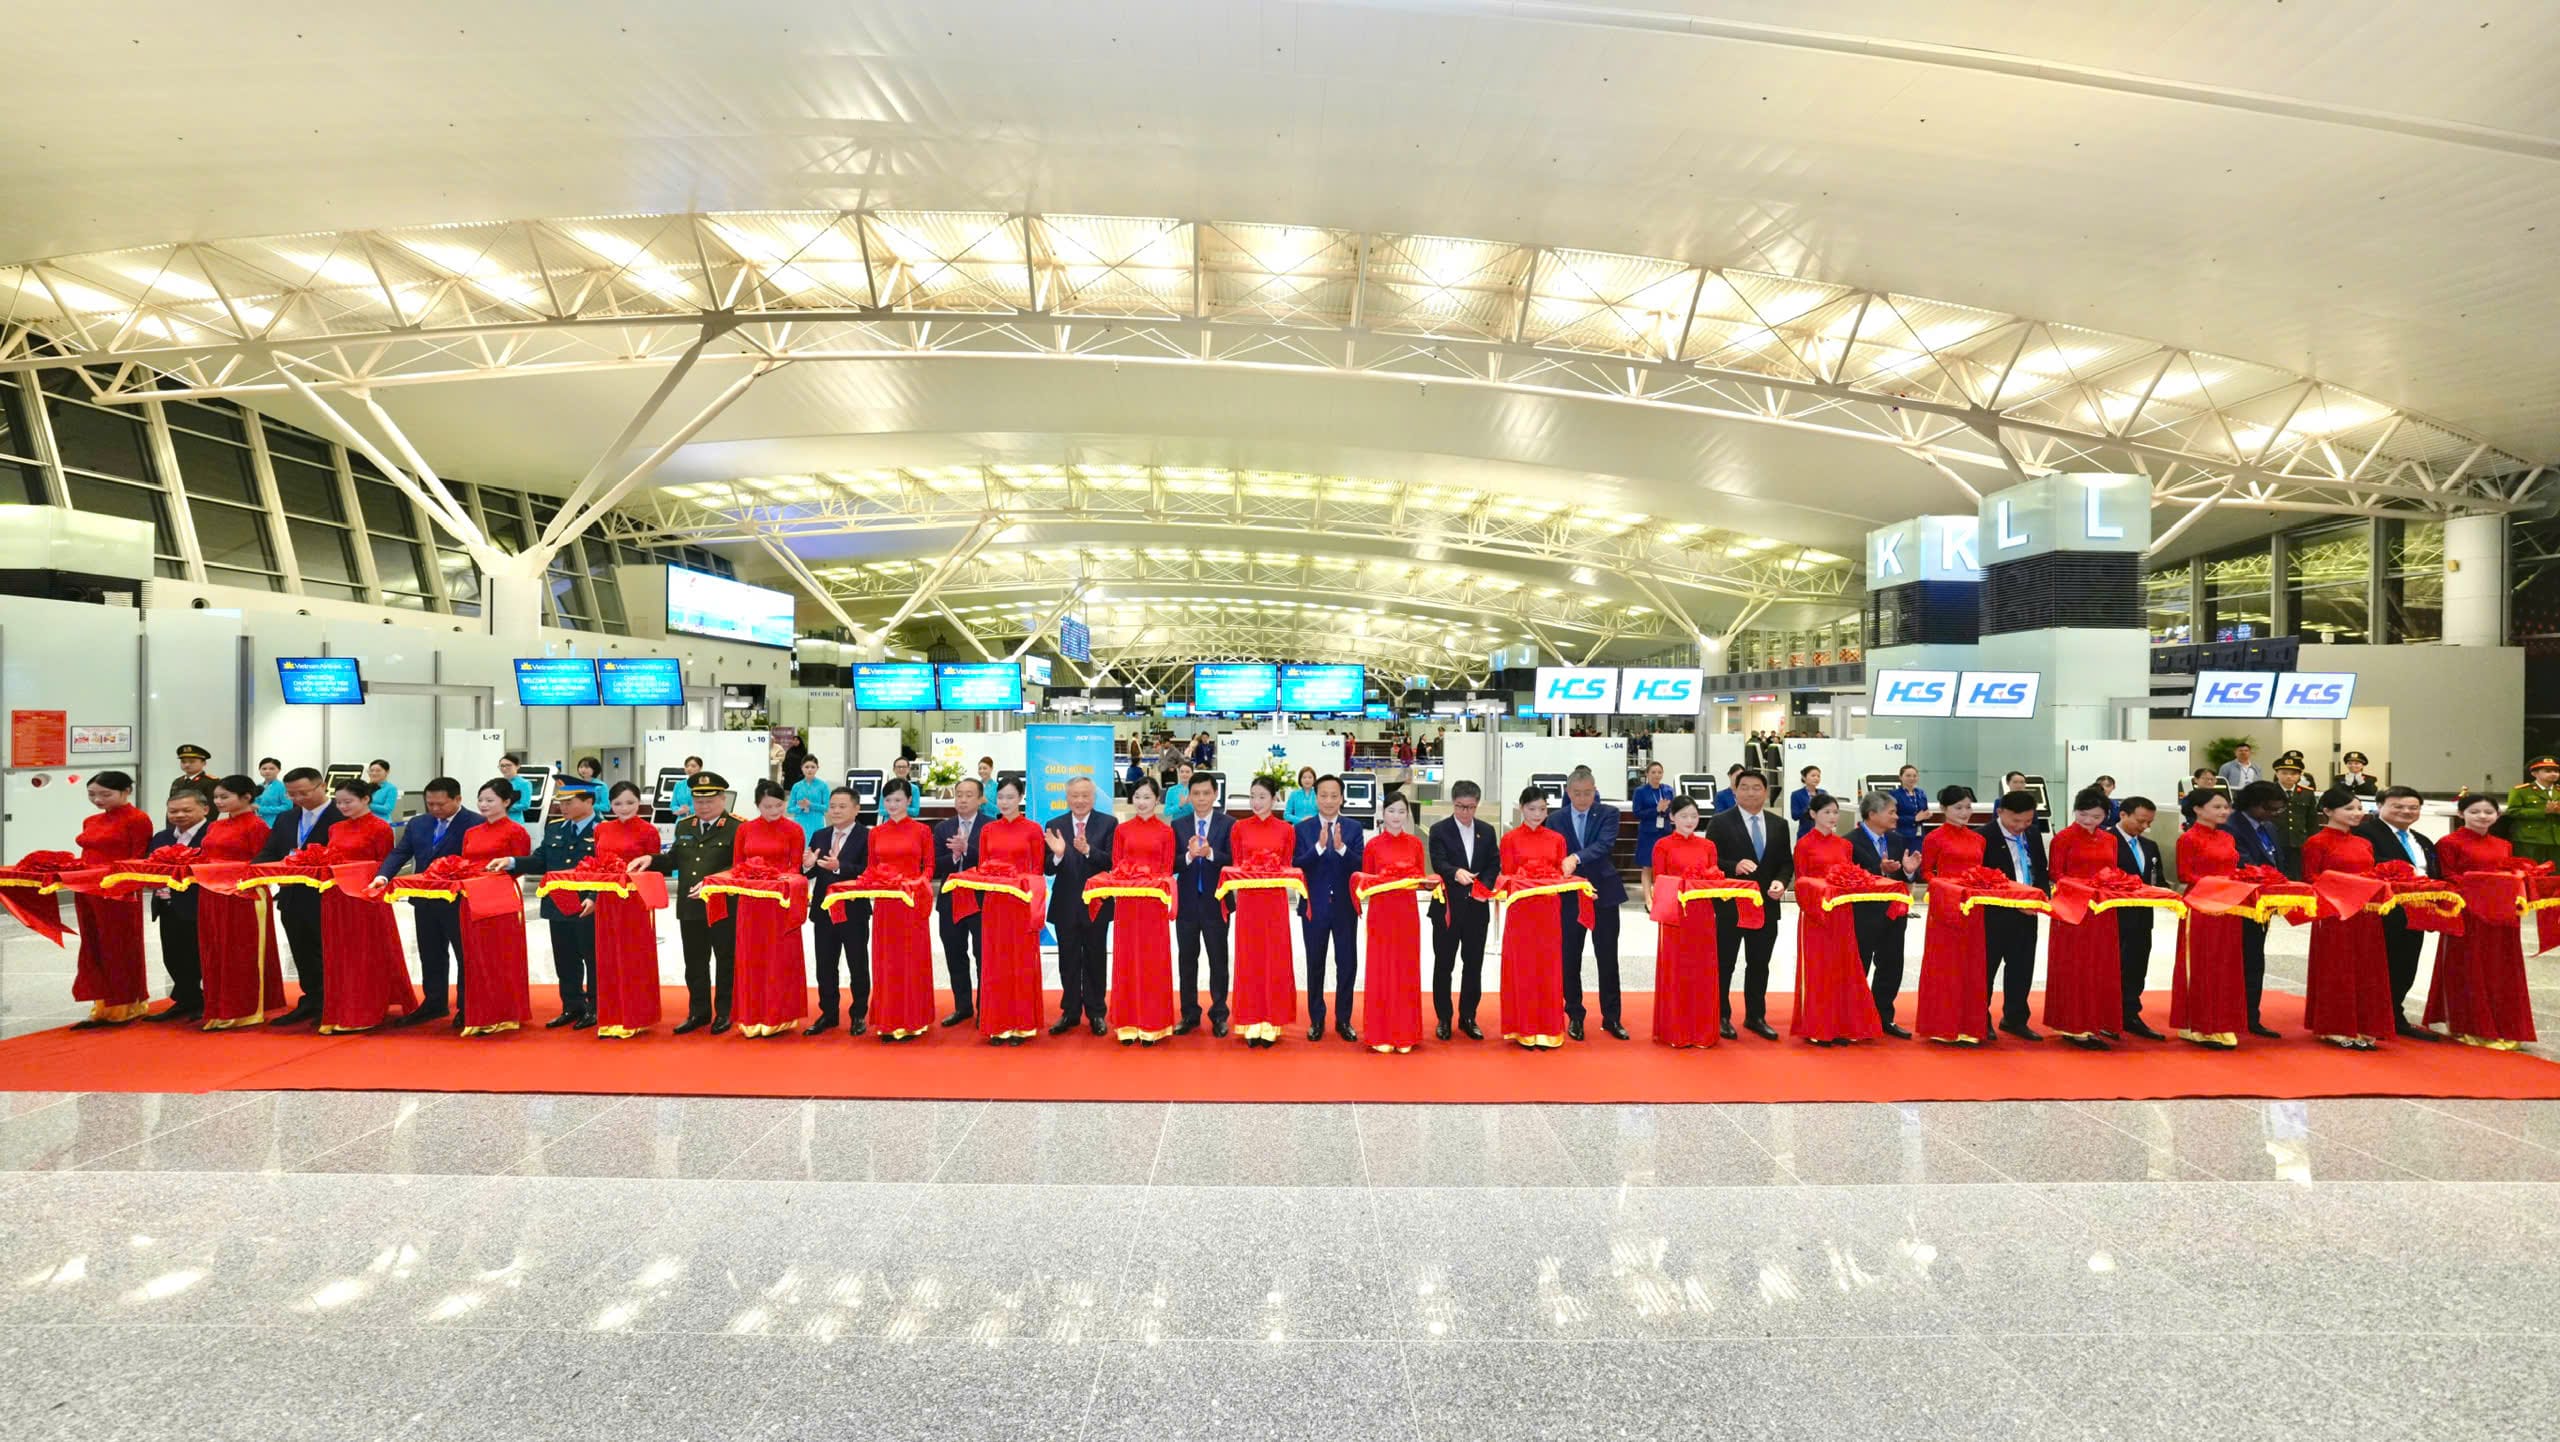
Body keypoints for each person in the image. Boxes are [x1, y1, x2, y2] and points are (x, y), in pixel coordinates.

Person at [2429, 794, 2539, 1048]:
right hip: (2469, 912)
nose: (2482, 816)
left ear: (2497, 816)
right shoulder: (2448, 843)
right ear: (2461, 814)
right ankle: (2468, 1024)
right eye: (2474, 811)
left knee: (2500, 967)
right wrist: (2485, 885)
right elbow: (2448, 877)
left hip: (2501, 913)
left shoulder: (2503, 844)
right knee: (2469, 965)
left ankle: (2502, 1023)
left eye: (2488, 812)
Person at [635, 770, 740, 1034]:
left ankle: (725, 1012)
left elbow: (740, 866)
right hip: (691, 907)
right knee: (694, 962)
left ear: (723, 799)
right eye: (698, 801)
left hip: (723, 906)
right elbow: (674, 860)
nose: (703, 806)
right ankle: (698, 1012)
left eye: (709, 801)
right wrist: (651, 859)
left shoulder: (737, 827)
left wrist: (714, 882)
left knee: (726, 961)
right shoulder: (684, 826)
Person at [376, 777, 479, 1027]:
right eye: (430, 804)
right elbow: (402, 851)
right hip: (424, 899)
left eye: (440, 804)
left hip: (458, 900)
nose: (434, 809)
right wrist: (383, 875)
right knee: (430, 953)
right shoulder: (419, 823)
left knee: (465, 955)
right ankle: (434, 1002)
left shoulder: (475, 823)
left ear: (457, 799)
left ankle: (468, 1007)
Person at [497, 780, 598, 1029]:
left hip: (587, 903)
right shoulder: (555, 828)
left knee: (593, 958)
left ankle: (596, 1007)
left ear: (588, 802)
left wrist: (594, 896)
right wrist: (511, 862)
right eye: (560, 802)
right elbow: (541, 860)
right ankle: (572, 1005)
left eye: (569, 802)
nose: (563, 807)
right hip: (559, 902)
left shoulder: (602, 830)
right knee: (565, 958)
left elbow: (607, 868)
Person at [317, 778, 413, 1033]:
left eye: (348, 802)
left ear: (365, 799)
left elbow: (385, 863)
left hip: (366, 897)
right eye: (338, 802)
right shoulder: (335, 828)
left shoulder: (380, 828)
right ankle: (341, 1007)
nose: (342, 806)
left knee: (365, 951)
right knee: (339, 952)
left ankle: (367, 1008)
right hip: (336, 896)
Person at [2300, 785, 2393, 1048]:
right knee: (2337, 966)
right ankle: (2335, 1025)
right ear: (2328, 811)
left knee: (2366, 966)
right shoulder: (2316, 842)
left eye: (2359, 808)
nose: (2356, 813)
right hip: (2336, 912)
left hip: (2366, 913)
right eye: (2349, 808)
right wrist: (2345, 887)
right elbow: (2311, 878)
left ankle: (2364, 1024)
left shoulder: (2364, 843)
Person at [1788, 792, 1884, 1045]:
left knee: (1843, 967)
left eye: (1835, 812)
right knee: (1819, 969)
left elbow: (1851, 876)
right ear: (1813, 814)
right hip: (1816, 914)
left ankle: (1842, 1025)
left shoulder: (1845, 845)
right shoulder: (1804, 844)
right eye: (1827, 812)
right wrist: (1815, 906)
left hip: (1843, 913)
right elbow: (1801, 882)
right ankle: (1817, 1027)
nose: (1832, 817)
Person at [63, 772, 154, 1028]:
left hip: (118, 891)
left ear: (126, 792)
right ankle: (101, 1006)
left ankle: (125, 1005)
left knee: (119, 944)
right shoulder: (91, 820)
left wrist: (123, 886)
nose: (98, 800)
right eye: (92, 794)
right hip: (87, 888)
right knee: (93, 943)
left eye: (105, 794)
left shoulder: (137, 819)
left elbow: (138, 857)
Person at [723, 780, 813, 1038]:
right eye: (767, 806)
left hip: (779, 902)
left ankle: (779, 1015)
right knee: (750, 955)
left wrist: (776, 881)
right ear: (757, 805)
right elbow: (737, 865)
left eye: (778, 805)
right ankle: (751, 1014)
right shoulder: (745, 829)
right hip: (750, 902)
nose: (774, 811)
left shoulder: (794, 829)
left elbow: (795, 868)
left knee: (779, 957)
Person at [1706, 769, 1790, 1040]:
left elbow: (1785, 862)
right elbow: (1710, 861)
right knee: (1725, 963)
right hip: (1731, 905)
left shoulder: (1779, 824)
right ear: (1735, 791)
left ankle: (1756, 1016)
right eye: (1744, 787)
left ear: (1766, 792)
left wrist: (1781, 882)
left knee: (1759, 963)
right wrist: (1734, 866)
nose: (1750, 792)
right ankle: (1720, 1015)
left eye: (1756, 788)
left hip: (1766, 905)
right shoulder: (1720, 822)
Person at [195, 775, 284, 1029]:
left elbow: (262, 863)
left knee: (241, 950)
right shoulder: (215, 826)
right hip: (210, 893)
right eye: (216, 797)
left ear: (246, 797)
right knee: (214, 948)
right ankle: (218, 1005)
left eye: (224, 797)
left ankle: (243, 1008)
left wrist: (231, 874)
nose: (218, 802)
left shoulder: (256, 826)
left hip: (244, 895)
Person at [255, 766, 339, 1026]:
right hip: (291, 896)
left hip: (327, 896)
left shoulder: (341, 816)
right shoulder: (286, 818)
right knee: (301, 950)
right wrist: (253, 871)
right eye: (292, 794)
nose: (298, 799)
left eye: (304, 793)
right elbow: (270, 851)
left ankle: (334, 1002)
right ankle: (312, 999)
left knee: (329, 952)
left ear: (322, 786)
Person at [967, 776, 1048, 1043]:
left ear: (1021, 798)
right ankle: (997, 1024)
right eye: (1001, 797)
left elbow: (1038, 870)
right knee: (995, 962)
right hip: (994, 904)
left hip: (1021, 903)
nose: (1005, 802)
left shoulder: (1033, 829)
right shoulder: (988, 830)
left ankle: (1021, 1024)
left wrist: (1019, 885)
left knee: (1020, 962)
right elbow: (982, 867)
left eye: (1011, 797)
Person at [2356, 785, 2441, 1040]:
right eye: (2398, 806)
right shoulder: (2364, 834)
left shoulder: (2421, 840)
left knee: (2406, 964)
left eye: (2413, 807)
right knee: (2381, 964)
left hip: (2416, 910)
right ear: (2380, 806)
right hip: (2382, 909)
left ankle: (2394, 1013)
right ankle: (2372, 1017)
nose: (2406, 811)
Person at [2044, 787, 2125, 1048]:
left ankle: (2100, 1019)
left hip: (2103, 908)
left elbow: (2112, 870)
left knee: (2102, 963)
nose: (2088, 821)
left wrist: (2113, 884)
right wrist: (2084, 887)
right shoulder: (2063, 838)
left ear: (2106, 816)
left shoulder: (2109, 839)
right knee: (2076, 964)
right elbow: (2056, 873)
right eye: (2083, 815)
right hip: (2073, 908)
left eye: (2096, 817)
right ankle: (2075, 1024)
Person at [2170, 788, 2248, 1049]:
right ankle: (2198, 1024)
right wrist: (2218, 883)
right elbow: (2184, 874)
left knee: (2226, 962)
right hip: (2201, 905)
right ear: (2197, 809)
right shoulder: (2188, 838)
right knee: (2202, 961)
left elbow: (2233, 868)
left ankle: (2222, 1021)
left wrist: (2239, 880)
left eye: (2226, 807)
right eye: (2217, 807)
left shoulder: (2227, 837)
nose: (2224, 811)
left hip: (2229, 904)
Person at [857, 779, 936, 1040]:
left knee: (912, 959)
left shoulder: (922, 830)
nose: (893, 805)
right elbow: (871, 867)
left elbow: (929, 867)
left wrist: (917, 883)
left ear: (909, 800)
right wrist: (866, 883)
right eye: (888, 800)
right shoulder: (876, 833)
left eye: (898, 800)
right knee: (886, 960)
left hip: (911, 902)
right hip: (885, 904)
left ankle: (913, 1019)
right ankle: (888, 1020)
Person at [1552, 769, 1626, 1041]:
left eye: (1588, 793)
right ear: (1568, 793)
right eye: (1577, 793)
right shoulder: (1555, 819)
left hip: (1604, 894)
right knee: (1570, 957)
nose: (1583, 799)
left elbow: (1604, 845)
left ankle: (1612, 1017)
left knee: (1608, 957)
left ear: (1595, 790)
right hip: (1570, 896)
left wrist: (1575, 858)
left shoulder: (1609, 813)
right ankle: (1575, 1015)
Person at [1228, 775, 1302, 1046]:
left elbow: (1286, 865)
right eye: (1252, 796)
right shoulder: (1239, 828)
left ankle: (1272, 1022)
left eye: (1262, 797)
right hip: (1248, 903)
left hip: (1275, 903)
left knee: (1274, 958)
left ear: (1274, 799)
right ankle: (1249, 1021)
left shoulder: (1286, 830)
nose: (1256, 802)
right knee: (1249, 958)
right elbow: (1237, 863)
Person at [587, 782, 665, 1038]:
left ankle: (636, 1016)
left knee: (634, 955)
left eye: (630, 802)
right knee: (607, 954)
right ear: (610, 804)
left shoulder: (648, 830)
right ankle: (611, 1017)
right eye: (618, 803)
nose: (624, 808)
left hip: (635, 900)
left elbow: (655, 868)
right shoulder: (601, 829)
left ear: (639, 802)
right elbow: (598, 864)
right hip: (607, 899)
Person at [1104, 776, 1178, 1043]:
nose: (1142, 802)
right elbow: (1116, 864)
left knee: (1152, 961)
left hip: (1153, 905)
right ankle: (1126, 1023)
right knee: (1126, 958)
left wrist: (1150, 882)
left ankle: (1153, 1024)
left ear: (1157, 800)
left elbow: (1167, 869)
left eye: (1147, 797)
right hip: (1127, 903)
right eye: (1137, 797)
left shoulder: (1166, 832)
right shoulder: (1122, 830)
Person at [1497, 786, 1572, 1049]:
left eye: (1542, 809)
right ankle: (1523, 1028)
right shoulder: (1510, 839)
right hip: (1521, 911)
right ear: (1521, 808)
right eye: (1531, 809)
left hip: (1549, 910)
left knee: (1548, 966)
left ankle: (1549, 1029)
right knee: (1523, 966)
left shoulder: (1557, 839)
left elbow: (1561, 874)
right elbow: (1507, 876)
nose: (1537, 814)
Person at [1044, 775, 1117, 1036]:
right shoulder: (1055, 825)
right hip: (1065, 905)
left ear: (1093, 797)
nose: (1080, 800)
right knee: (1068, 961)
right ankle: (1070, 1012)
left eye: (1085, 795)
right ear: (1067, 797)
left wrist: (1088, 851)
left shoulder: (1108, 823)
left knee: (1096, 960)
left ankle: (1097, 1013)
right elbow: (1046, 868)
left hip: (1096, 904)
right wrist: (1058, 855)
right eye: (1075, 795)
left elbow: (1112, 861)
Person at [1427, 779, 1500, 1041]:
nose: (1465, 812)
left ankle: (1468, 1017)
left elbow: (1494, 863)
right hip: (1447, 908)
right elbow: (1438, 861)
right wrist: (1455, 872)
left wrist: (1484, 887)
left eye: (1470, 807)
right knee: (1443, 965)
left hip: (1477, 909)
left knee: (1473, 965)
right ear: (1453, 803)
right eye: (1460, 806)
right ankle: (1444, 1018)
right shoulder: (1439, 830)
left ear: (1477, 805)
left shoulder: (1487, 831)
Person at [1647, 794, 1722, 1048]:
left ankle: (1702, 1030)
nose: (1690, 821)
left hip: (1703, 915)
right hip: (1675, 915)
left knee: (1702, 969)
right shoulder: (1663, 846)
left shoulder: (1708, 846)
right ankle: (1676, 1030)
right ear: (1672, 817)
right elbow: (1660, 881)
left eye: (1694, 816)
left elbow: (1714, 879)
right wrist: (1683, 887)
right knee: (1677, 970)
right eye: (1683, 816)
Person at [1295, 773, 1365, 1042]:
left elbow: (1361, 865)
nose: (1328, 800)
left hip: (1345, 908)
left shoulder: (1354, 828)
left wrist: (1341, 848)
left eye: (1334, 795)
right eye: (1323, 795)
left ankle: (1343, 1019)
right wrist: (1319, 847)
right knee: (1315, 964)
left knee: (1347, 964)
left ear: (1342, 798)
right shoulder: (1303, 829)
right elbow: (1296, 865)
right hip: (1314, 907)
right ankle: (1317, 1019)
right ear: (1316, 798)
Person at [1354, 794, 1428, 1052]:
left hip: (1407, 913)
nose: (1396, 817)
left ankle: (1405, 1033)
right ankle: (1381, 1033)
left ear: (1408, 814)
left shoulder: (1415, 844)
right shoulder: (1373, 845)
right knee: (1381, 968)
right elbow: (1366, 881)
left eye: (1401, 811)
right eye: (1391, 811)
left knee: (1406, 968)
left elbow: (1420, 878)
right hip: (1381, 914)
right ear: (1383, 813)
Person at [1978, 790, 2050, 1040]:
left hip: (2028, 912)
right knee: (1986, 969)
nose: (2021, 826)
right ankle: (1980, 1019)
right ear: (2000, 812)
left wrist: (2041, 896)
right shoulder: (1983, 837)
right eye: (2015, 821)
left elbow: (2041, 869)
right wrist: (2012, 903)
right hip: (1994, 913)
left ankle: (2015, 1018)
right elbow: (1982, 880)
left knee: (2022, 967)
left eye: (2027, 820)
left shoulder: (2032, 833)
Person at [1848, 790, 1919, 1037]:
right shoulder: (1850, 842)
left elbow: (1902, 875)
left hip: (1894, 913)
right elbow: (1848, 877)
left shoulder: (1897, 840)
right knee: (1860, 966)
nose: (1896, 817)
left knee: (1891, 966)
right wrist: (1878, 868)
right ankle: (1855, 1018)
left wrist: (1908, 872)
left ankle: (1883, 1017)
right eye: (1891, 812)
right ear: (1872, 814)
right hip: (1864, 914)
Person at [802, 784, 870, 1036]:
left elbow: (868, 870)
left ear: (856, 809)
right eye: (832, 806)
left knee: (857, 964)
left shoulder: (867, 836)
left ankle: (858, 1014)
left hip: (854, 910)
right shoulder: (820, 835)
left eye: (842, 806)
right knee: (825, 964)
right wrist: (807, 865)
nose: (836, 811)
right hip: (824, 910)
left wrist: (840, 867)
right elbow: (809, 871)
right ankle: (828, 1013)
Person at [2228, 780, 2294, 1038]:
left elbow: (2278, 860)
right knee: (2239, 959)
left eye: (2278, 809)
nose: (2274, 814)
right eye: (2269, 808)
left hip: (2263, 904)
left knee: (2255, 959)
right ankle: (2234, 1013)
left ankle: (2251, 1015)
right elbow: (2242, 863)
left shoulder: (2269, 827)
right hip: (2239, 903)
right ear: (2252, 805)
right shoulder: (2231, 826)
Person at [1173, 773, 1235, 1036]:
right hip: (1187, 903)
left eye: (1206, 793)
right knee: (1187, 960)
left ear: (1215, 794)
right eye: (1196, 794)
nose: (1201, 799)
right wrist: (1189, 856)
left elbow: (1234, 861)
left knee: (1218, 960)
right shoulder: (1178, 825)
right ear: (1189, 796)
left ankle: (1219, 1014)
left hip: (1216, 902)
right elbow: (1170, 863)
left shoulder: (1229, 824)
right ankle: (1189, 1014)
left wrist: (1210, 854)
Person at [143, 788, 210, 1023]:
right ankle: (187, 999)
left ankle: (211, 1002)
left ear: (205, 809)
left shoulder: (211, 835)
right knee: (173, 955)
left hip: (199, 904)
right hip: (166, 905)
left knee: (201, 954)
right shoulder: (162, 837)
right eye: (173, 811)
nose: (179, 815)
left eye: (186, 810)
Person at [931, 778, 984, 1025]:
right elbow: (932, 865)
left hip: (981, 900)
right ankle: (962, 1006)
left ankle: (985, 1008)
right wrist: (953, 856)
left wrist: (968, 851)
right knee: (955, 954)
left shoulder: (990, 827)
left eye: (969, 795)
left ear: (980, 799)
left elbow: (993, 862)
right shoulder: (943, 828)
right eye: (959, 794)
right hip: (950, 900)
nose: (962, 799)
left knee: (983, 955)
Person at [2113, 796, 2166, 1040]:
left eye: (2149, 823)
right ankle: (2107, 1015)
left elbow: (2158, 880)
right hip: (2115, 916)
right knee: (2114, 967)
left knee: (2137, 966)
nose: (2145, 827)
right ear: (2123, 814)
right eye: (2141, 821)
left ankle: (2130, 1013)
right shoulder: (2107, 841)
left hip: (2143, 917)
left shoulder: (2150, 846)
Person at [1630, 760, 1674, 904]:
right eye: (1653, 772)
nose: (1656, 775)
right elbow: (1637, 813)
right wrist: (1655, 810)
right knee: (1647, 865)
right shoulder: (1640, 791)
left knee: (1664, 865)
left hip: (1665, 832)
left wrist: (1666, 810)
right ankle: (1648, 899)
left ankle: (1660, 896)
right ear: (1647, 774)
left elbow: (1672, 810)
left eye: (1659, 772)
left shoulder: (1667, 790)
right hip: (1648, 833)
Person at [2503, 756, 2560, 864]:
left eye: (2556, 771)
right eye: (2548, 771)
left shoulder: (2558, 790)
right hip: (2530, 839)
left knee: (2556, 871)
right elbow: (2513, 811)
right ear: (2534, 773)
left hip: (2556, 839)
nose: (2553, 774)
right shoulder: (2521, 791)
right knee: (2530, 869)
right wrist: (2543, 812)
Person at [1919, 786, 1982, 879]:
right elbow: (1926, 871)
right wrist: (1941, 884)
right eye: (1958, 808)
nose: (1965, 813)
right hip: (1945, 887)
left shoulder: (1979, 839)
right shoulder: (1933, 838)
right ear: (1943, 808)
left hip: (1975, 888)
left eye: (1968, 807)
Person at [2271, 751, 2319, 851]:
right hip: (2274, 841)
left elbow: (2312, 821)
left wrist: (2313, 841)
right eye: (2284, 773)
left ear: (2299, 775)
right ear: (2277, 774)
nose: (2289, 776)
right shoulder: (2268, 791)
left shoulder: (2307, 793)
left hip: (2299, 841)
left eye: (2293, 774)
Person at [786, 755, 831, 842]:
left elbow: (827, 807)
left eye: (813, 767)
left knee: (816, 846)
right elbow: (789, 809)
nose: (809, 770)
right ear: (801, 768)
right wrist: (800, 807)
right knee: (800, 845)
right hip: (800, 822)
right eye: (806, 767)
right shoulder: (796, 786)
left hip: (817, 822)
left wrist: (810, 805)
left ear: (817, 768)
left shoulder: (823, 786)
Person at [1887, 764, 1928, 850]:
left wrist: (1925, 816)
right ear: (1900, 777)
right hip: (1901, 833)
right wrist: (1914, 819)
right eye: (1908, 776)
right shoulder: (1894, 794)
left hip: (1918, 834)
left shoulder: (1921, 793)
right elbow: (1891, 816)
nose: (1912, 778)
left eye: (1915, 776)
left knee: (1918, 855)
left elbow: (1924, 811)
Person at [497, 754, 538, 824]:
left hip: (515, 822)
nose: (504, 768)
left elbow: (525, 805)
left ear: (517, 766)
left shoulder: (525, 783)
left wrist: (506, 807)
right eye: (502, 766)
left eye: (508, 765)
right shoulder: (498, 783)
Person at [253, 756, 291, 824]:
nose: (267, 771)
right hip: (257, 823)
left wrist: (261, 809)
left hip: (275, 823)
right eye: (264, 769)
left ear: (279, 770)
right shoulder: (258, 787)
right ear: (259, 770)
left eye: (272, 769)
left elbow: (287, 807)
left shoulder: (283, 787)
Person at [1788, 765, 1822, 838]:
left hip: (1822, 834)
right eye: (1813, 775)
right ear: (1804, 777)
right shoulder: (1796, 794)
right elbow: (1795, 816)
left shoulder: (1823, 793)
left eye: (1818, 776)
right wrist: (1809, 807)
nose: (1816, 778)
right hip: (1805, 834)